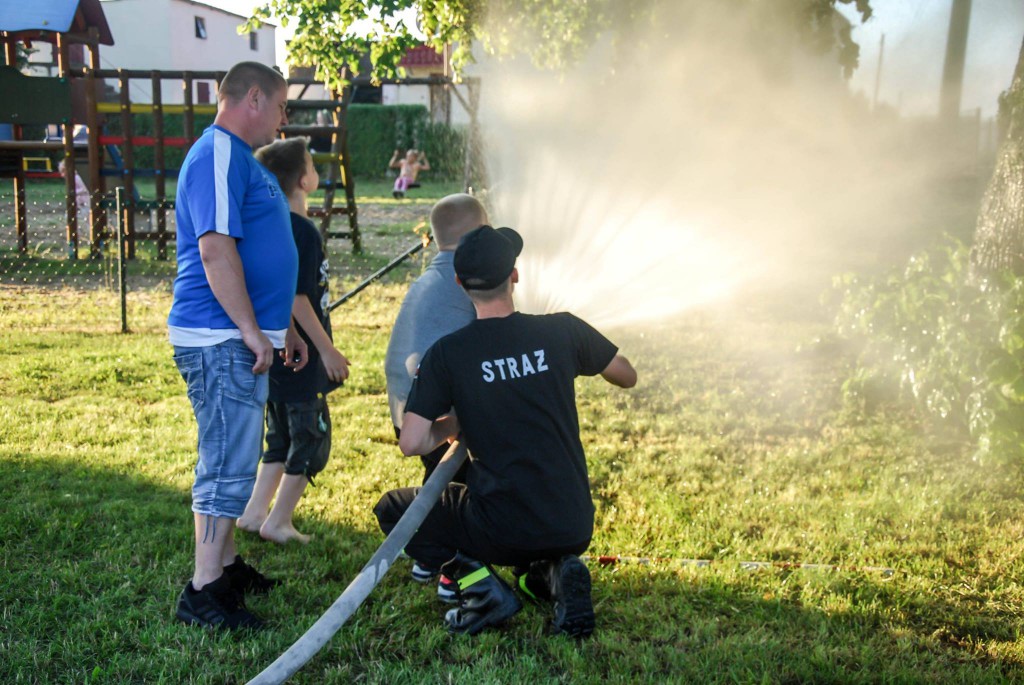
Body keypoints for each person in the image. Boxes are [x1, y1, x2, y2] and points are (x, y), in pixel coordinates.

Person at [373, 225, 638, 638]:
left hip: (502, 529)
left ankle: (481, 591)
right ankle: (555, 572)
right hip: (572, 522)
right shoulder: (562, 329)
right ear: (514, 275)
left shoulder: (448, 354)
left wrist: (455, 422)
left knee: (394, 508)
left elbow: (411, 442)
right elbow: (626, 375)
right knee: (537, 539)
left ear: (460, 284)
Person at [168, 61, 302, 631]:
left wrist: (281, 326)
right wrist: (250, 330)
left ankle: (222, 567)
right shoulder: (218, 153)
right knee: (226, 462)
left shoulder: (240, 158)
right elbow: (216, 250)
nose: (284, 117)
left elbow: (259, 251)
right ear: (253, 97)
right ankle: (204, 591)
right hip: (221, 336)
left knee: (235, 456)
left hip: (240, 334)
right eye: (281, 106)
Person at [237, 137, 351, 545]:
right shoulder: (300, 229)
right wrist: (326, 349)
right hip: (300, 355)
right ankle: (278, 521)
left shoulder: (269, 225)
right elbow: (299, 297)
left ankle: (253, 514)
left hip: (277, 353)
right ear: (304, 179)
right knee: (310, 436)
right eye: (312, 164)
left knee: (280, 435)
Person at [383, 193, 485, 596]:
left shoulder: (431, 276)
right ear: (480, 234)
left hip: (406, 409)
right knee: (464, 487)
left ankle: (426, 557)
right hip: (437, 411)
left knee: (438, 479)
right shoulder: (469, 281)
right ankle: (453, 571)